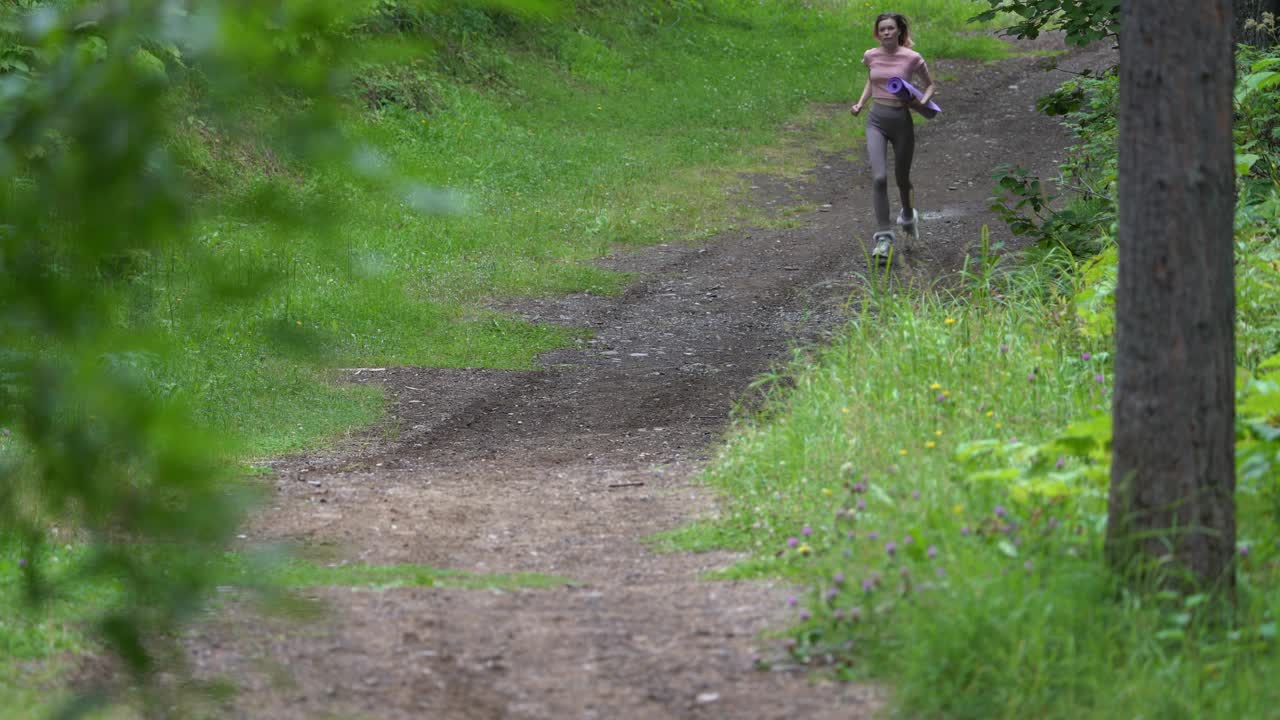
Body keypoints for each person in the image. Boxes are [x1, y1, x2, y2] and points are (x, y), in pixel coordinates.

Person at [850, 13, 936, 263]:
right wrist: (860, 103)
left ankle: (908, 215)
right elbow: (871, 80)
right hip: (876, 119)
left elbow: (930, 85)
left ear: (899, 31)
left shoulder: (912, 58)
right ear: (878, 33)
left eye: (891, 28)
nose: (886, 32)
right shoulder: (871, 55)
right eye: (882, 29)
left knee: (902, 178)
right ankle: (884, 237)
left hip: (901, 121)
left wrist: (923, 101)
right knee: (879, 177)